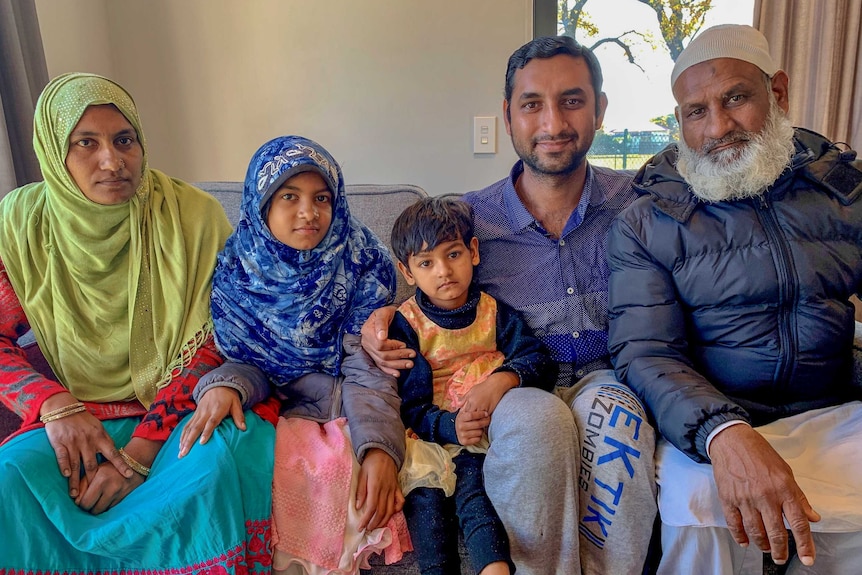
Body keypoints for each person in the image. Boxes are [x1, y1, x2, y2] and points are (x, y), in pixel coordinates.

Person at [362, 36, 657, 575]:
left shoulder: (636, 202)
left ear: (600, 109)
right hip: (516, 383)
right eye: (532, 104)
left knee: (620, 425)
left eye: (572, 100)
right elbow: (422, 289)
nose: (553, 122)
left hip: (606, 376)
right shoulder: (468, 218)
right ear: (508, 116)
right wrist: (377, 319)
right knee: (536, 423)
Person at [607, 24, 862, 574]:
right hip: (710, 421)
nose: (718, 127)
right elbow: (645, 351)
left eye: (736, 98)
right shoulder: (647, 221)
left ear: (779, 93)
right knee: (699, 505)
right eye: (696, 112)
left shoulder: (844, 192)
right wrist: (725, 434)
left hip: (833, 408)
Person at [0, 73, 274, 572]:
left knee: (206, 474)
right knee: (11, 477)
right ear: (54, 155)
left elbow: (220, 339)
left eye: (124, 140)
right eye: (86, 143)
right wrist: (53, 405)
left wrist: (142, 452)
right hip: (79, 416)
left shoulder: (192, 216)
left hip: (176, 411)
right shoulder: (20, 225)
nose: (113, 160)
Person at [179, 135, 412, 574]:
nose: (309, 212)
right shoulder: (236, 271)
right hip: (274, 407)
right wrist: (226, 384)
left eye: (321, 198)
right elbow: (245, 360)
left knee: (340, 471)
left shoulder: (361, 259)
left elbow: (368, 364)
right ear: (261, 203)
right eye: (290, 196)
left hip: (345, 401)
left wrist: (380, 447)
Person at [388, 197, 555, 575]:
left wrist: (502, 380)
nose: (444, 271)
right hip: (430, 434)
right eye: (426, 263)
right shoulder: (407, 323)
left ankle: (494, 568)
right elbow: (409, 404)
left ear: (473, 252)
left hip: (479, 437)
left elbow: (537, 359)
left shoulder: (494, 312)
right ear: (408, 271)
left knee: (475, 492)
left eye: (453, 255)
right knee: (426, 501)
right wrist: (450, 426)